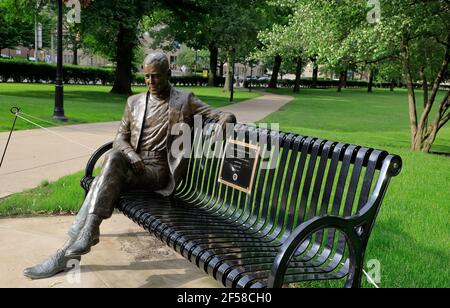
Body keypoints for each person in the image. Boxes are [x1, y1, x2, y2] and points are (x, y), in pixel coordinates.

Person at [23, 52, 236, 279]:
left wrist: (225, 120)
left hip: (158, 172)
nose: (150, 82)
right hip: (134, 166)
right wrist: (131, 155)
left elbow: (222, 114)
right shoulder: (134, 102)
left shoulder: (184, 100)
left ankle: (73, 246)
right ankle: (76, 243)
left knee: (107, 169)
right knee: (109, 168)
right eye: (146, 77)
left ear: (168, 74)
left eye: (155, 76)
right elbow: (119, 138)